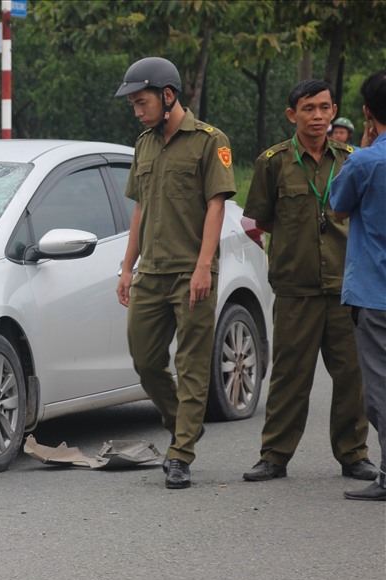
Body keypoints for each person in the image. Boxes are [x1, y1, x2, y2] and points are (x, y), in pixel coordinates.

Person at [241, 79, 375, 483]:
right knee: (289, 376)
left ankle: (353, 454)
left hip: (344, 285)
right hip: (295, 286)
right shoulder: (273, 162)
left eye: (324, 108)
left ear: (334, 111)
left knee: (352, 375)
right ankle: (274, 456)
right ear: (291, 115)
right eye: (308, 109)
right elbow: (260, 218)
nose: (317, 116)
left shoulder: (353, 159)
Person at [114, 57, 236, 489]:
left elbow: (217, 205)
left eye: (141, 101)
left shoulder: (208, 141)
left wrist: (205, 266)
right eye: (132, 104)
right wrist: (127, 268)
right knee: (145, 359)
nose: (136, 109)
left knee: (192, 364)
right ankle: (185, 422)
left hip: (191, 272)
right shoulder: (144, 144)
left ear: (168, 96)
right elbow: (140, 210)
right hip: (152, 272)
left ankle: (181, 453)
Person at [329, 69, 386, 501]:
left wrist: (363, 151)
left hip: (376, 294)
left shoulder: (365, 162)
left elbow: (338, 205)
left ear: (367, 113)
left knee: (380, 391)